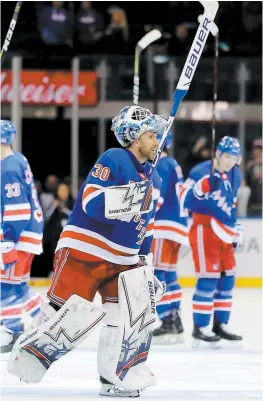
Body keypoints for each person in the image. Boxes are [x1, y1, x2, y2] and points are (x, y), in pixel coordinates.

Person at [8, 106, 166, 397]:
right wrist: (132, 197)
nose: (157, 142)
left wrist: (147, 264)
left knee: (125, 321)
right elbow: (91, 201)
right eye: (151, 135)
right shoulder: (115, 158)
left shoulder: (154, 180)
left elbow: (148, 226)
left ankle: (113, 376)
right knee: (65, 315)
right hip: (86, 250)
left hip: (125, 261)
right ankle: (29, 349)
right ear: (135, 137)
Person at [178, 136, 244, 347]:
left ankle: (220, 324)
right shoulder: (200, 170)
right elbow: (183, 197)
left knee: (227, 279)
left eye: (234, 157)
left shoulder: (236, 173)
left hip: (225, 230)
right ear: (217, 154)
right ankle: (201, 327)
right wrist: (202, 187)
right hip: (204, 228)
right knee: (208, 278)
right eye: (226, 156)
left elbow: (231, 203)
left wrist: (236, 227)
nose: (230, 161)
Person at [0, 120, 44, 353]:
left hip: (18, 237)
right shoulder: (19, 160)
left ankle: (13, 331)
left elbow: (17, 209)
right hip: (29, 234)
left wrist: (7, 240)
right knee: (18, 287)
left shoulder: (7, 167)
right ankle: (47, 323)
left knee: (4, 287)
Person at [150, 133, 189, 343]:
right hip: (177, 228)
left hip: (164, 227)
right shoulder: (172, 163)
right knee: (170, 275)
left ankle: (167, 320)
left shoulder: (162, 165)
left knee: (158, 274)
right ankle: (174, 318)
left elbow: (157, 199)